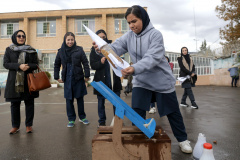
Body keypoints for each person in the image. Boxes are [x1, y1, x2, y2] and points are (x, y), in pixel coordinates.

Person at [93, 5, 192, 153]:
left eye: (134, 21)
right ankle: (139, 140)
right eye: (129, 23)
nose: (132, 25)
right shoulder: (129, 36)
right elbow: (115, 48)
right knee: (136, 112)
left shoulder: (155, 35)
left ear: (143, 18)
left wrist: (134, 68)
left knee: (172, 112)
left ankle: (183, 140)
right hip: (141, 81)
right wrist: (102, 49)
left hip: (161, 81)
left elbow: (152, 57)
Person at [3, 30, 39, 134]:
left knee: (29, 103)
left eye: (23, 36)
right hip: (14, 81)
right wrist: (19, 66)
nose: (21, 37)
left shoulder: (31, 50)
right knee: (15, 104)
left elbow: (35, 64)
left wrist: (27, 66)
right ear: (15, 37)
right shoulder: (9, 50)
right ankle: (15, 126)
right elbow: (6, 64)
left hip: (28, 80)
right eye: (19, 36)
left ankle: (28, 125)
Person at [54, 32, 90, 127]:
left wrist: (87, 75)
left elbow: (85, 63)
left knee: (80, 99)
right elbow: (57, 64)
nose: (70, 42)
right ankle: (71, 119)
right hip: (67, 78)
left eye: (72, 40)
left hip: (78, 78)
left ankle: (82, 117)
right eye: (68, 40)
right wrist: (56, 77)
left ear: (74, 40)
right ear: (65, 40)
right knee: (69, 100)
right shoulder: (61, 51)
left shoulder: (79, 50)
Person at [90, 29, 122, 127]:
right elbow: (93, 65)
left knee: (116, 102)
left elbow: (118, 60)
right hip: (101, 80)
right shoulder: (94, 51)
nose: (102, 38)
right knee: (101, 102)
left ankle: (118, 121)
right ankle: (102, 121)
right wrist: (101, 62)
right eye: (99, 37)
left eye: (104, 37)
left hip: (113, 79)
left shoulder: (111, 48)